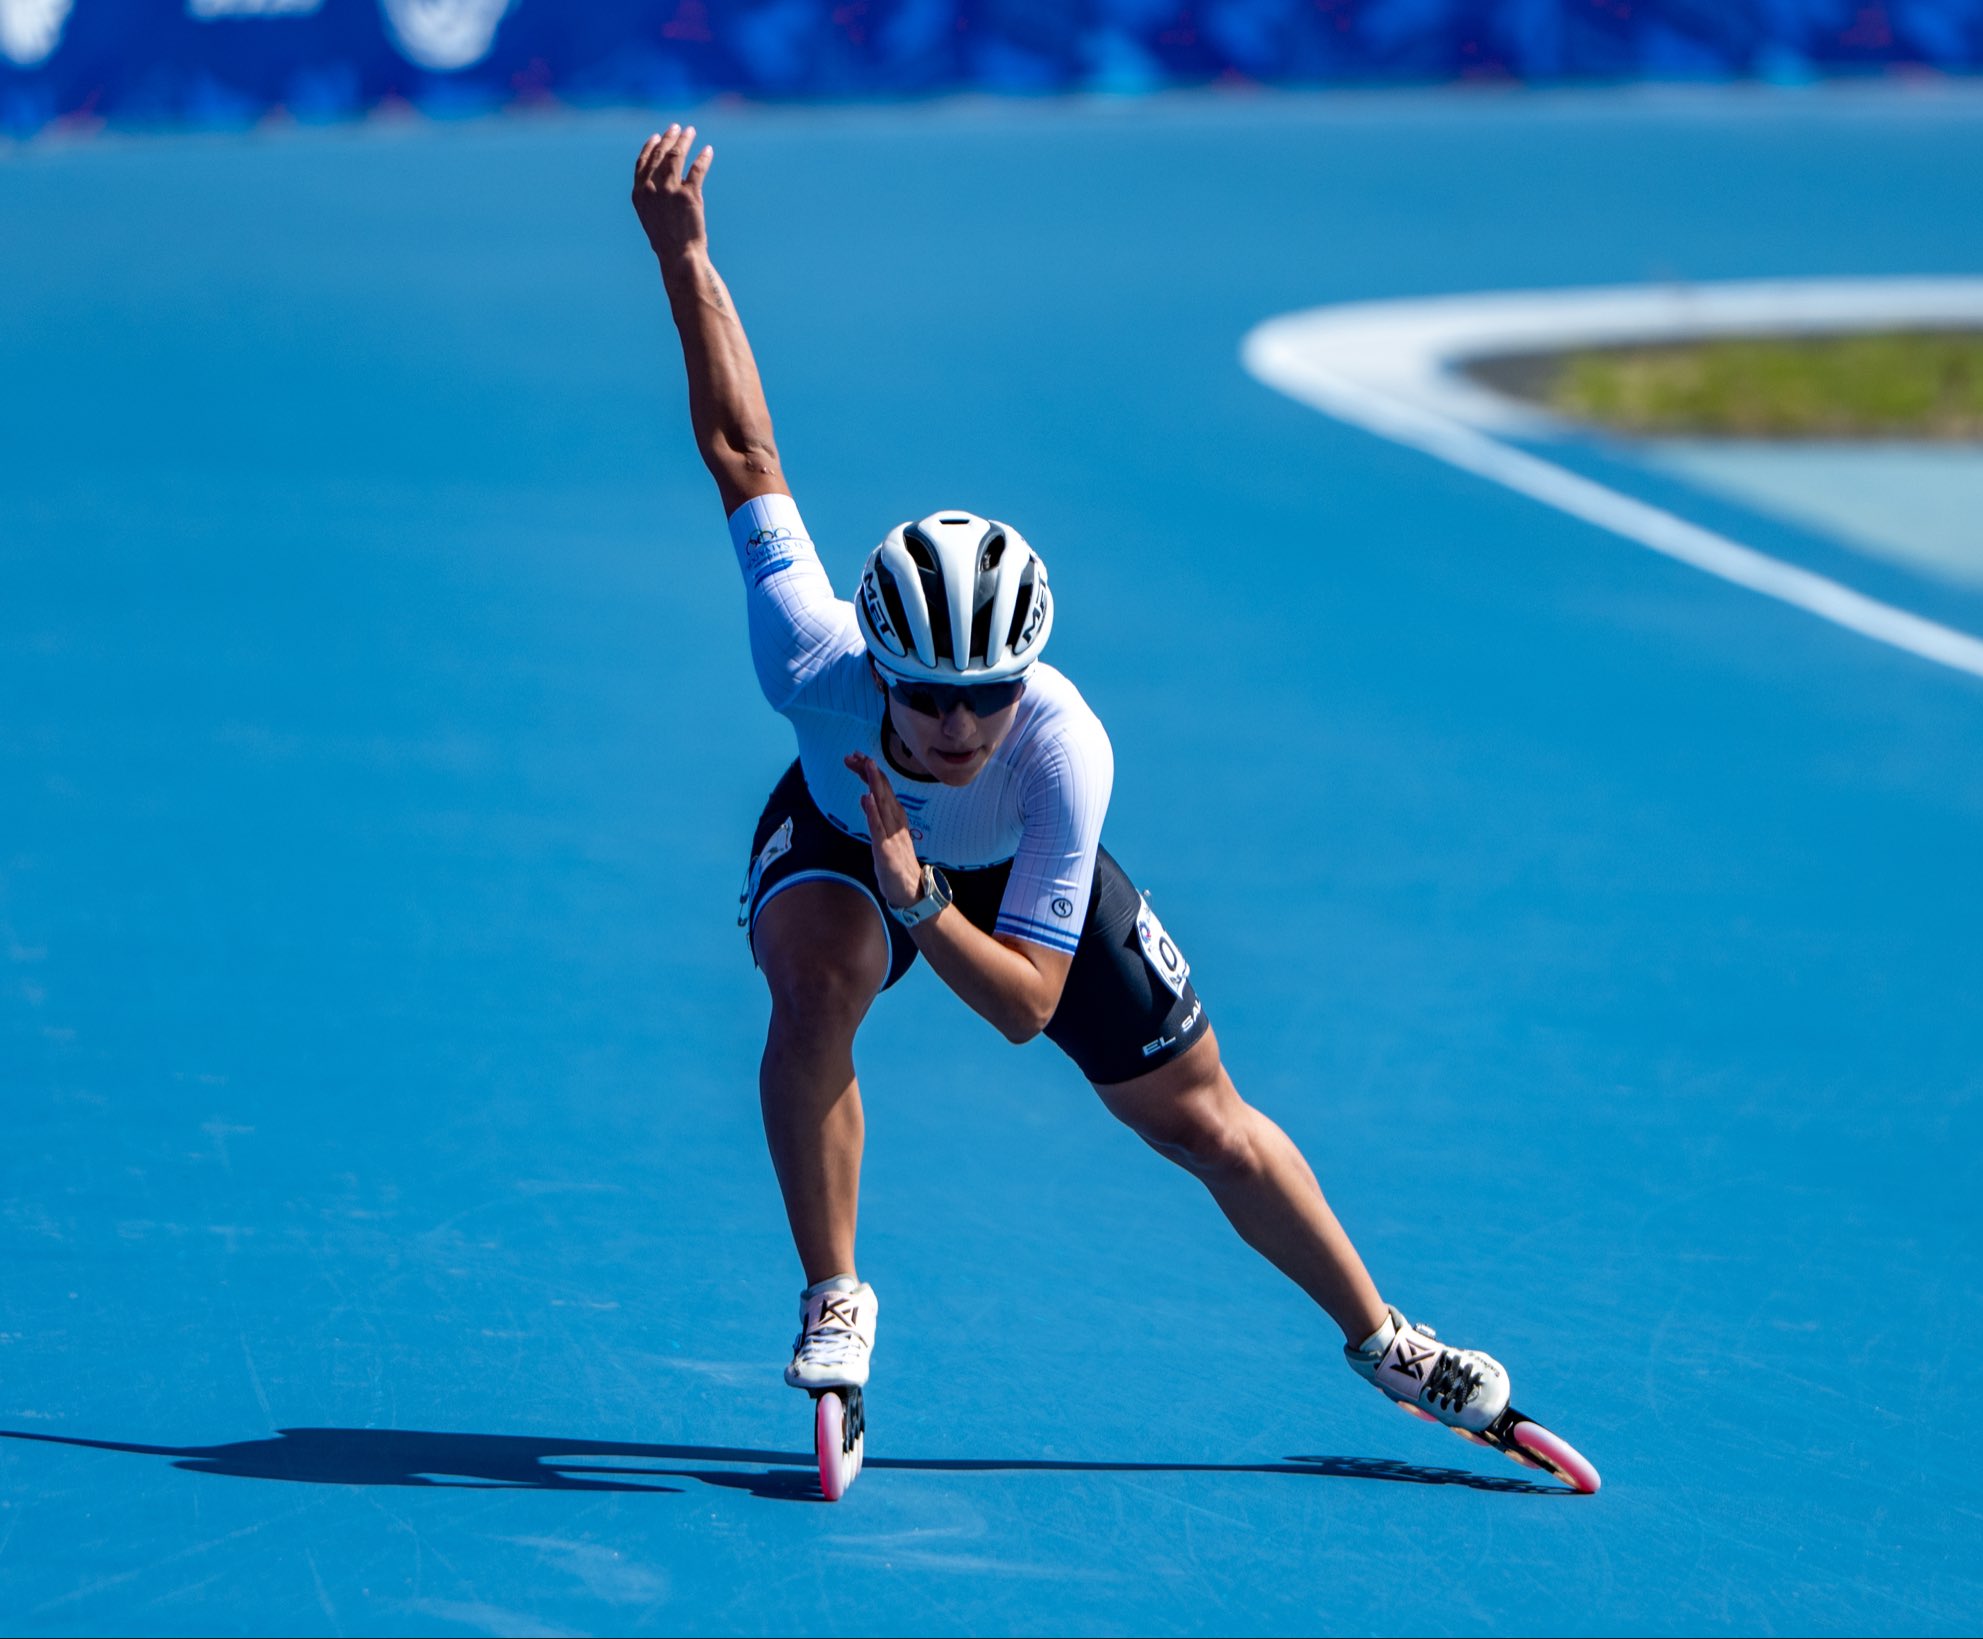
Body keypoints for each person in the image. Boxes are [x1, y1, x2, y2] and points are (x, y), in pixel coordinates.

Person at [631, 124, 1516, 1444]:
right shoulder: (813, 664)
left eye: (982, 695)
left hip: (970, 885)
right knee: (815, 979)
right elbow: (743, 454)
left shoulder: (1063, 750)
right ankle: (834, 1295)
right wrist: (687, 258)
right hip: (839, 832)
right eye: (922, 693)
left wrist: (928, 902)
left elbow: (1026, 1011)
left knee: (1202, 1124)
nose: (949, 724)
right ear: (876, 665)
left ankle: (1383, 1339)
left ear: (1022, 682)